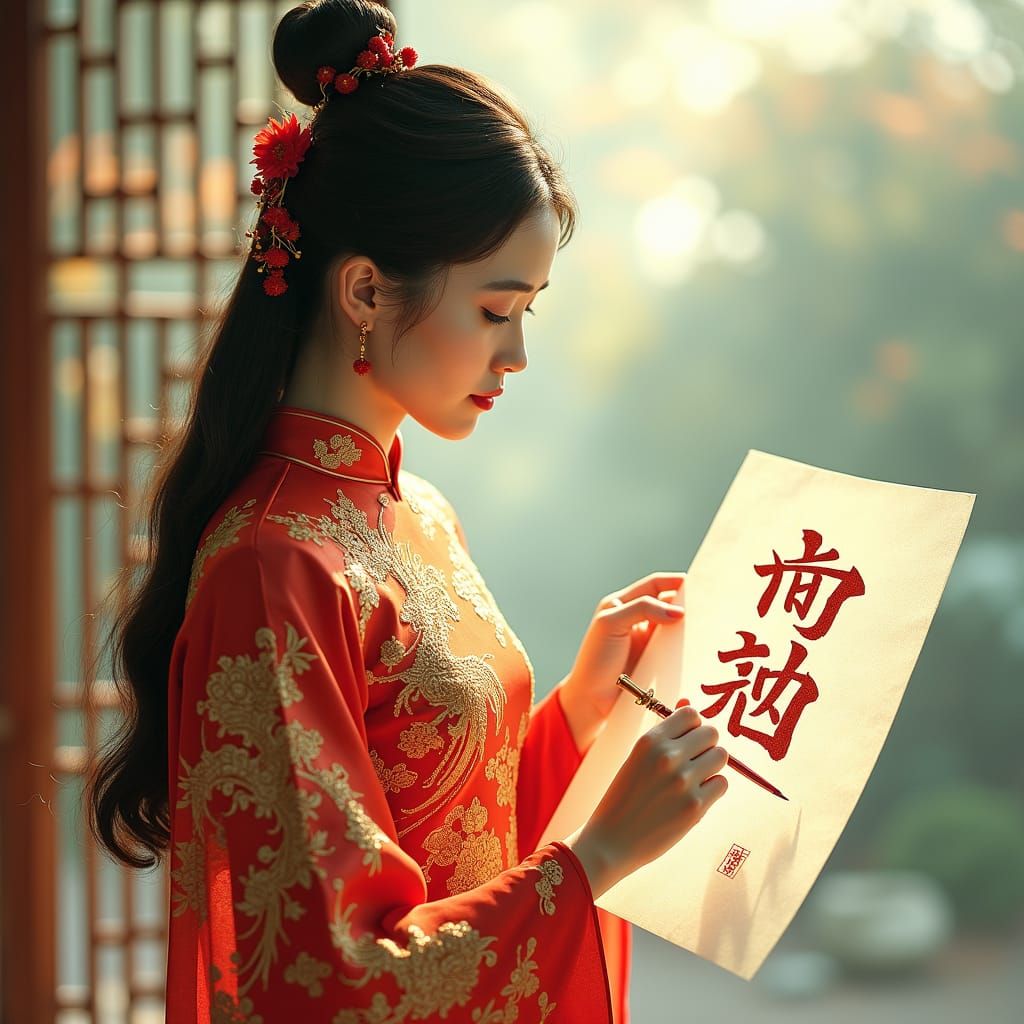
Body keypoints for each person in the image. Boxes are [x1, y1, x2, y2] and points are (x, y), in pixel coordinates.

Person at [85, 2, 729, 1021]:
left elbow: (450, 822)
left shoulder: (417, 510)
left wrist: (571, 717)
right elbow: (328, 974)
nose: (515, 356)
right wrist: (594, 856)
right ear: (366, 292)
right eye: (493, 310)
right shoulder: (274, 562)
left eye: (527, 312)